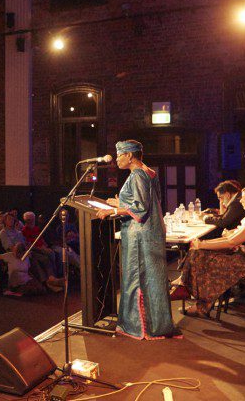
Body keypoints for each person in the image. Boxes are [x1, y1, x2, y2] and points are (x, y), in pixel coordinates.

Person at [96, 140, 176, 340]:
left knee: (137, 277)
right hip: (151, 232)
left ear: (130, 155)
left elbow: (140, 208)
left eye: (119, 155)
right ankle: (157, 324)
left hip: (140, 235)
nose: (116, 159)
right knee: (151, 278)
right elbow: (145, 201)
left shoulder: (137, 174)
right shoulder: (148, 172)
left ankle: (140, 327)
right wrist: (120, 202)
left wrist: (112, 210)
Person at [171, 185, 245, 317]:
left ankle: (193, 295)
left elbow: (232, 241)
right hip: (242, 258)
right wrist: (201, 245)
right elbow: (232, 238)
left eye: (244, 198)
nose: (241, 201)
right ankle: (188, 290)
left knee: (200, 255)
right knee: (197, 253)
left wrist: (202, 244)